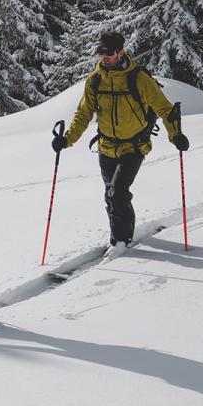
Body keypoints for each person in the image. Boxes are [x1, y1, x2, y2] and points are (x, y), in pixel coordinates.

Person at [54, 30, 188, 248]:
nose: (104, 56)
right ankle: (119, 235)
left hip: (134, 146)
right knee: (110, 196)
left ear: (121, 52)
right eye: (100, 52)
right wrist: (66, 140)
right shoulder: (95, 81)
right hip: (106, 147)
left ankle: (121, 242)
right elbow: (83, 114)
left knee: (118, 193)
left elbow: (164, 108)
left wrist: (176, 135)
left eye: (109, 52)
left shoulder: (139, 79)